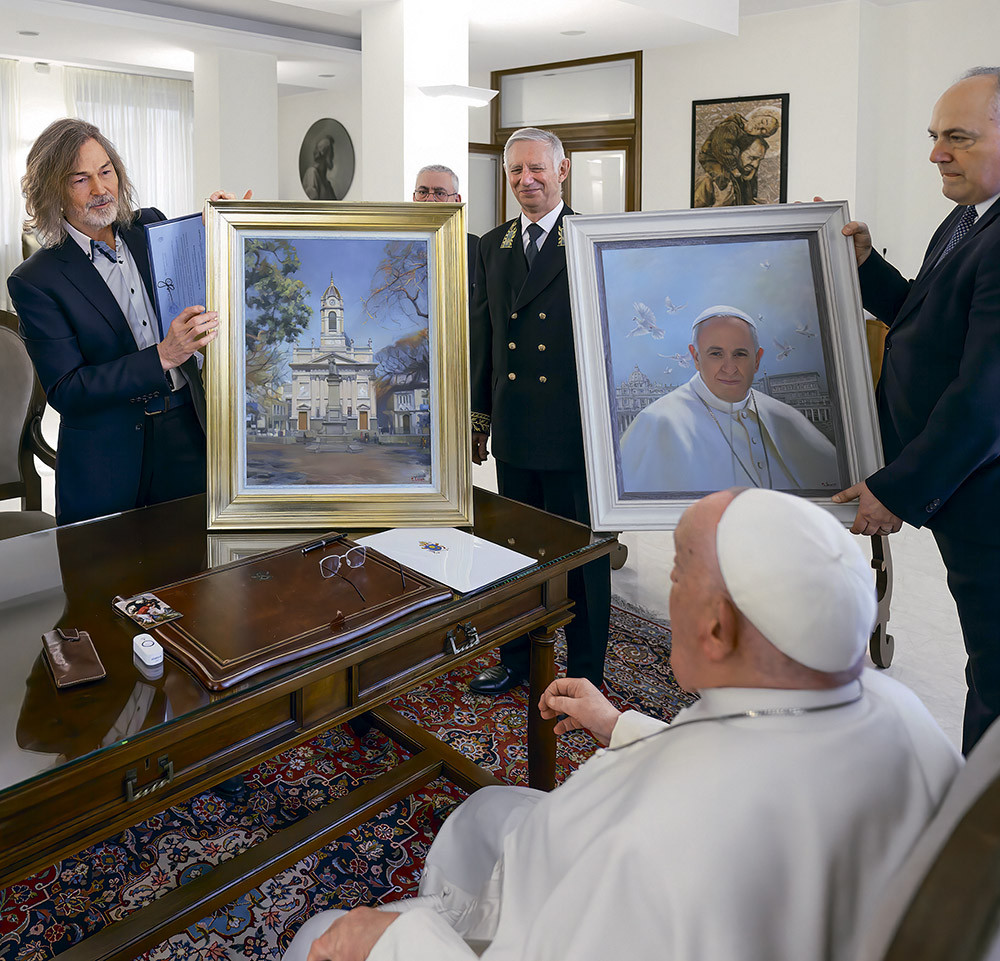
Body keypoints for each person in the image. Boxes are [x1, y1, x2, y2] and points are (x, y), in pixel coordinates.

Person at [281, 488, 961, 961]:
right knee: (487, 811)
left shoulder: (655, 854)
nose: (668, 585)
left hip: (562, 920)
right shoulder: (897, 712)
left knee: (319, 933)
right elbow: (760, 757)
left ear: (718, 629)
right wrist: (621, 726)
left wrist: (392, 941)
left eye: (680, 571)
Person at [832, 67, 1000, 754]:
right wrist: (867, 265)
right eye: (934, 136)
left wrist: (897, 487)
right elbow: (923, 320)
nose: (936, 153)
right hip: (964, 491)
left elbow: (984, 397)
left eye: (958, 137)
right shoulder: (968, 217)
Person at [7, 118, 244, 524]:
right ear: (53, 192)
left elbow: (204, 279)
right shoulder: (35, 280)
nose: (100, 189)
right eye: (80, 179)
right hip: (105, 461)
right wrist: (163, 356)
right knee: (106, 567)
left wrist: (225, 226)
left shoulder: (151, 226)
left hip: (188, 431)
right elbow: (67, 389)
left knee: (197, 559)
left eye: (106, 172)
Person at [467, 127, 610, 694]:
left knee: (582, 558)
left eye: (537, 169)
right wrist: (479, 419)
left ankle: (587, 674)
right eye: (515, 171)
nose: (526, 180)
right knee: (515, 552)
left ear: (563, 170)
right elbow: (485, 337)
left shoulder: (590, 239)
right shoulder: (492, 245)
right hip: (517, 427)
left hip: (573, 431)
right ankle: (518, 661)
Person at [620, 306, 839, 492]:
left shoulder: (786, 416)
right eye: (716, 354)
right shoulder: (656, 421)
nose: (730, 368)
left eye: (740, 354)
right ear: (696, 358)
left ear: (757, 360)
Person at [411, 164, 480, 301]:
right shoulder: (401, 244)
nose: (429, 199)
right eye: (423, 192)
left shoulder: (475, 247)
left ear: (457, 201)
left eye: (440, 193)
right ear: (414, 198)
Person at [694, 109, 778, 207]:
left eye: (763, 131)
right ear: (736, 152)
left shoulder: (742, 183)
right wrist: (720, 205)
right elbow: (692, 214)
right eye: (752, 158)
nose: (755, 165)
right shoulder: (707, 182)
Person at [303, 136, 337, 200]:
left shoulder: (328, 185)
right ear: (323, 153)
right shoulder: (312, 173)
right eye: (331, 151)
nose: (332, 155)